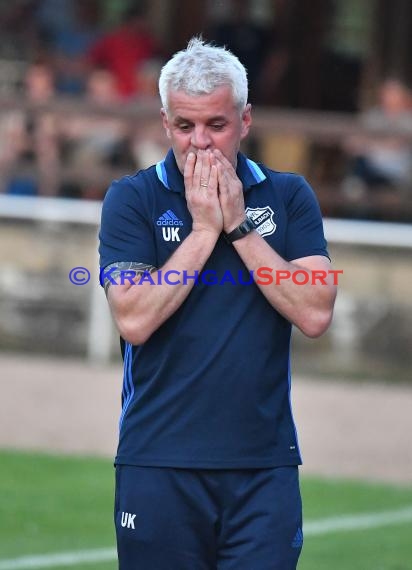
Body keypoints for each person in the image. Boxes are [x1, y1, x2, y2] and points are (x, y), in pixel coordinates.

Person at [99, 37, 337, 569]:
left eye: (216, 125)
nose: (200, 143)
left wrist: (237, 228)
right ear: (165, 123)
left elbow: (315, 311)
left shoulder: (289, 196)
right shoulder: (132, 199)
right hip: (157, 462)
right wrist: (204, 232)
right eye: (185, 127)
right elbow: (134, 318)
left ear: (245, 121)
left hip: (263, 468)